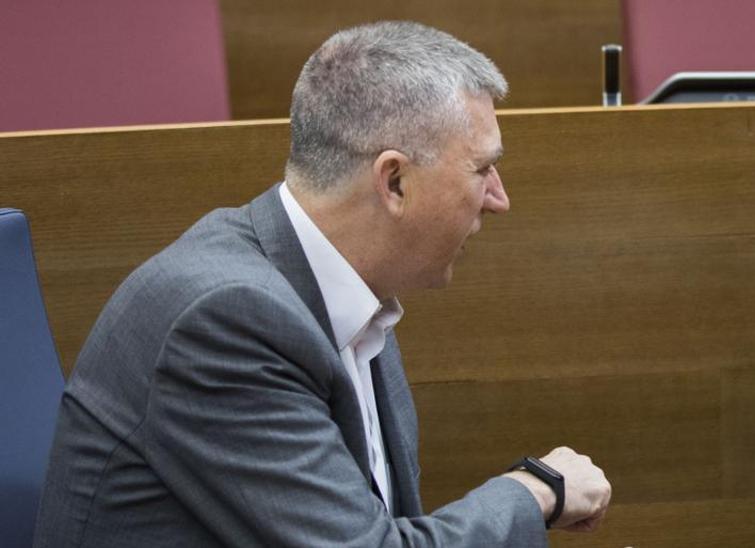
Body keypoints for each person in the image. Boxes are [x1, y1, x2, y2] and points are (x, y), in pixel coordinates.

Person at [34, 21, 610, 547]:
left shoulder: (348, 288)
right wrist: (536, 490)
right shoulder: (223, 319)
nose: (499, 199)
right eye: (482, 169)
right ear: (394, 182)